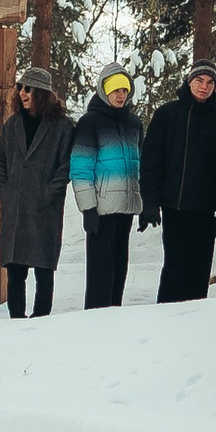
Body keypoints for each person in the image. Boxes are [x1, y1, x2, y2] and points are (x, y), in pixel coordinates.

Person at [139, 63, 216, 302]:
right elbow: (151, 161)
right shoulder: (167, 115)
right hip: (174, 207)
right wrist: (150, 202)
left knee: (199, 273)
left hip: (205, 211)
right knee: (174, 269)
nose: (204, 87)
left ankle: (195, 323)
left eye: (210, 82)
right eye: (199, 80)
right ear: (189, 82)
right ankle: (166, 321)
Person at [0, 67, 73, 317]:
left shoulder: (61, 127)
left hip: (44, 210)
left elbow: (65, 166)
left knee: (44, 272)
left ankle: (41, 322)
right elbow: (1, 162)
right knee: (15, 272)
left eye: (27, 88)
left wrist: (48, 192)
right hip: (16, 209)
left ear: (41, 93)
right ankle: (16, 322)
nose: (22, 93)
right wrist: (6, 192)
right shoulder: (12, 125)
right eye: (19, 88)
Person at [71, 65, 145, 309]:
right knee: (100, 272)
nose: (120, 95)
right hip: (101, 211)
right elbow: (81, 168)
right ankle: (95, 316)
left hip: (125, 209)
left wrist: (143, 203)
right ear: (104, 91)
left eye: (124, 90)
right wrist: (88, 208)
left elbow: (140, 165)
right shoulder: (90, 123)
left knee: (119, 267)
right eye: (115, 90)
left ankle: (115, 313)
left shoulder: (134, 124)